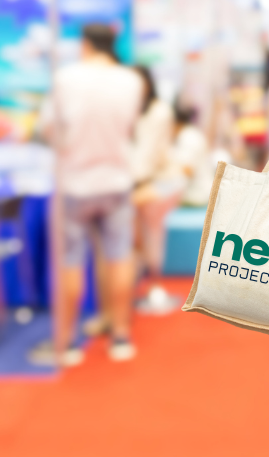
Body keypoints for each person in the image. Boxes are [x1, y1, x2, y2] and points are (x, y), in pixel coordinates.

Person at [35, 23, 143, 366]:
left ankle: (67, 343)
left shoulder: (66, 78)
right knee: (119, 257)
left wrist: (66, 147)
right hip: (117, 180)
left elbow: (48, 128)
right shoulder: (131, 80)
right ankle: (120, 336)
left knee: (70, 262)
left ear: (85, 44)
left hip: (75, 184)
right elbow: (129, 127)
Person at [130, 65, 175, 314]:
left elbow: (150, 153)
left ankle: (154, 286)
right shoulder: (131, 109)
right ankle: (142, 287)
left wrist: (136, 178)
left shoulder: (158, 111)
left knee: (151, 236)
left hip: (154, 181)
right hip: (136, 181)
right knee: (137, 238)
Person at [167, 100, 215, 208]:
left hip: (197, 197)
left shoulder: (189, 137)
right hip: (196, 195)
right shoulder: (187, 135)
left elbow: (187, 170)